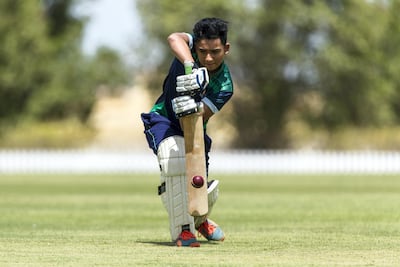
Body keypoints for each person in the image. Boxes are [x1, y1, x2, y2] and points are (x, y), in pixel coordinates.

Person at [141, 17, 233, 247]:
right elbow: (174, 38)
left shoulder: (224, 85)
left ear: (226, 49)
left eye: (215, 51)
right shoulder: (189, 50)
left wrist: (191, 106)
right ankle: (184, 232)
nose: (209, 58)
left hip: (193, 130)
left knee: (198, 183)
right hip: (163, 119)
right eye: (203, 52)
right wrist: (191, 67)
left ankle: (200, 219)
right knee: (175, 163)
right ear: (195, 48)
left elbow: (197, 119)